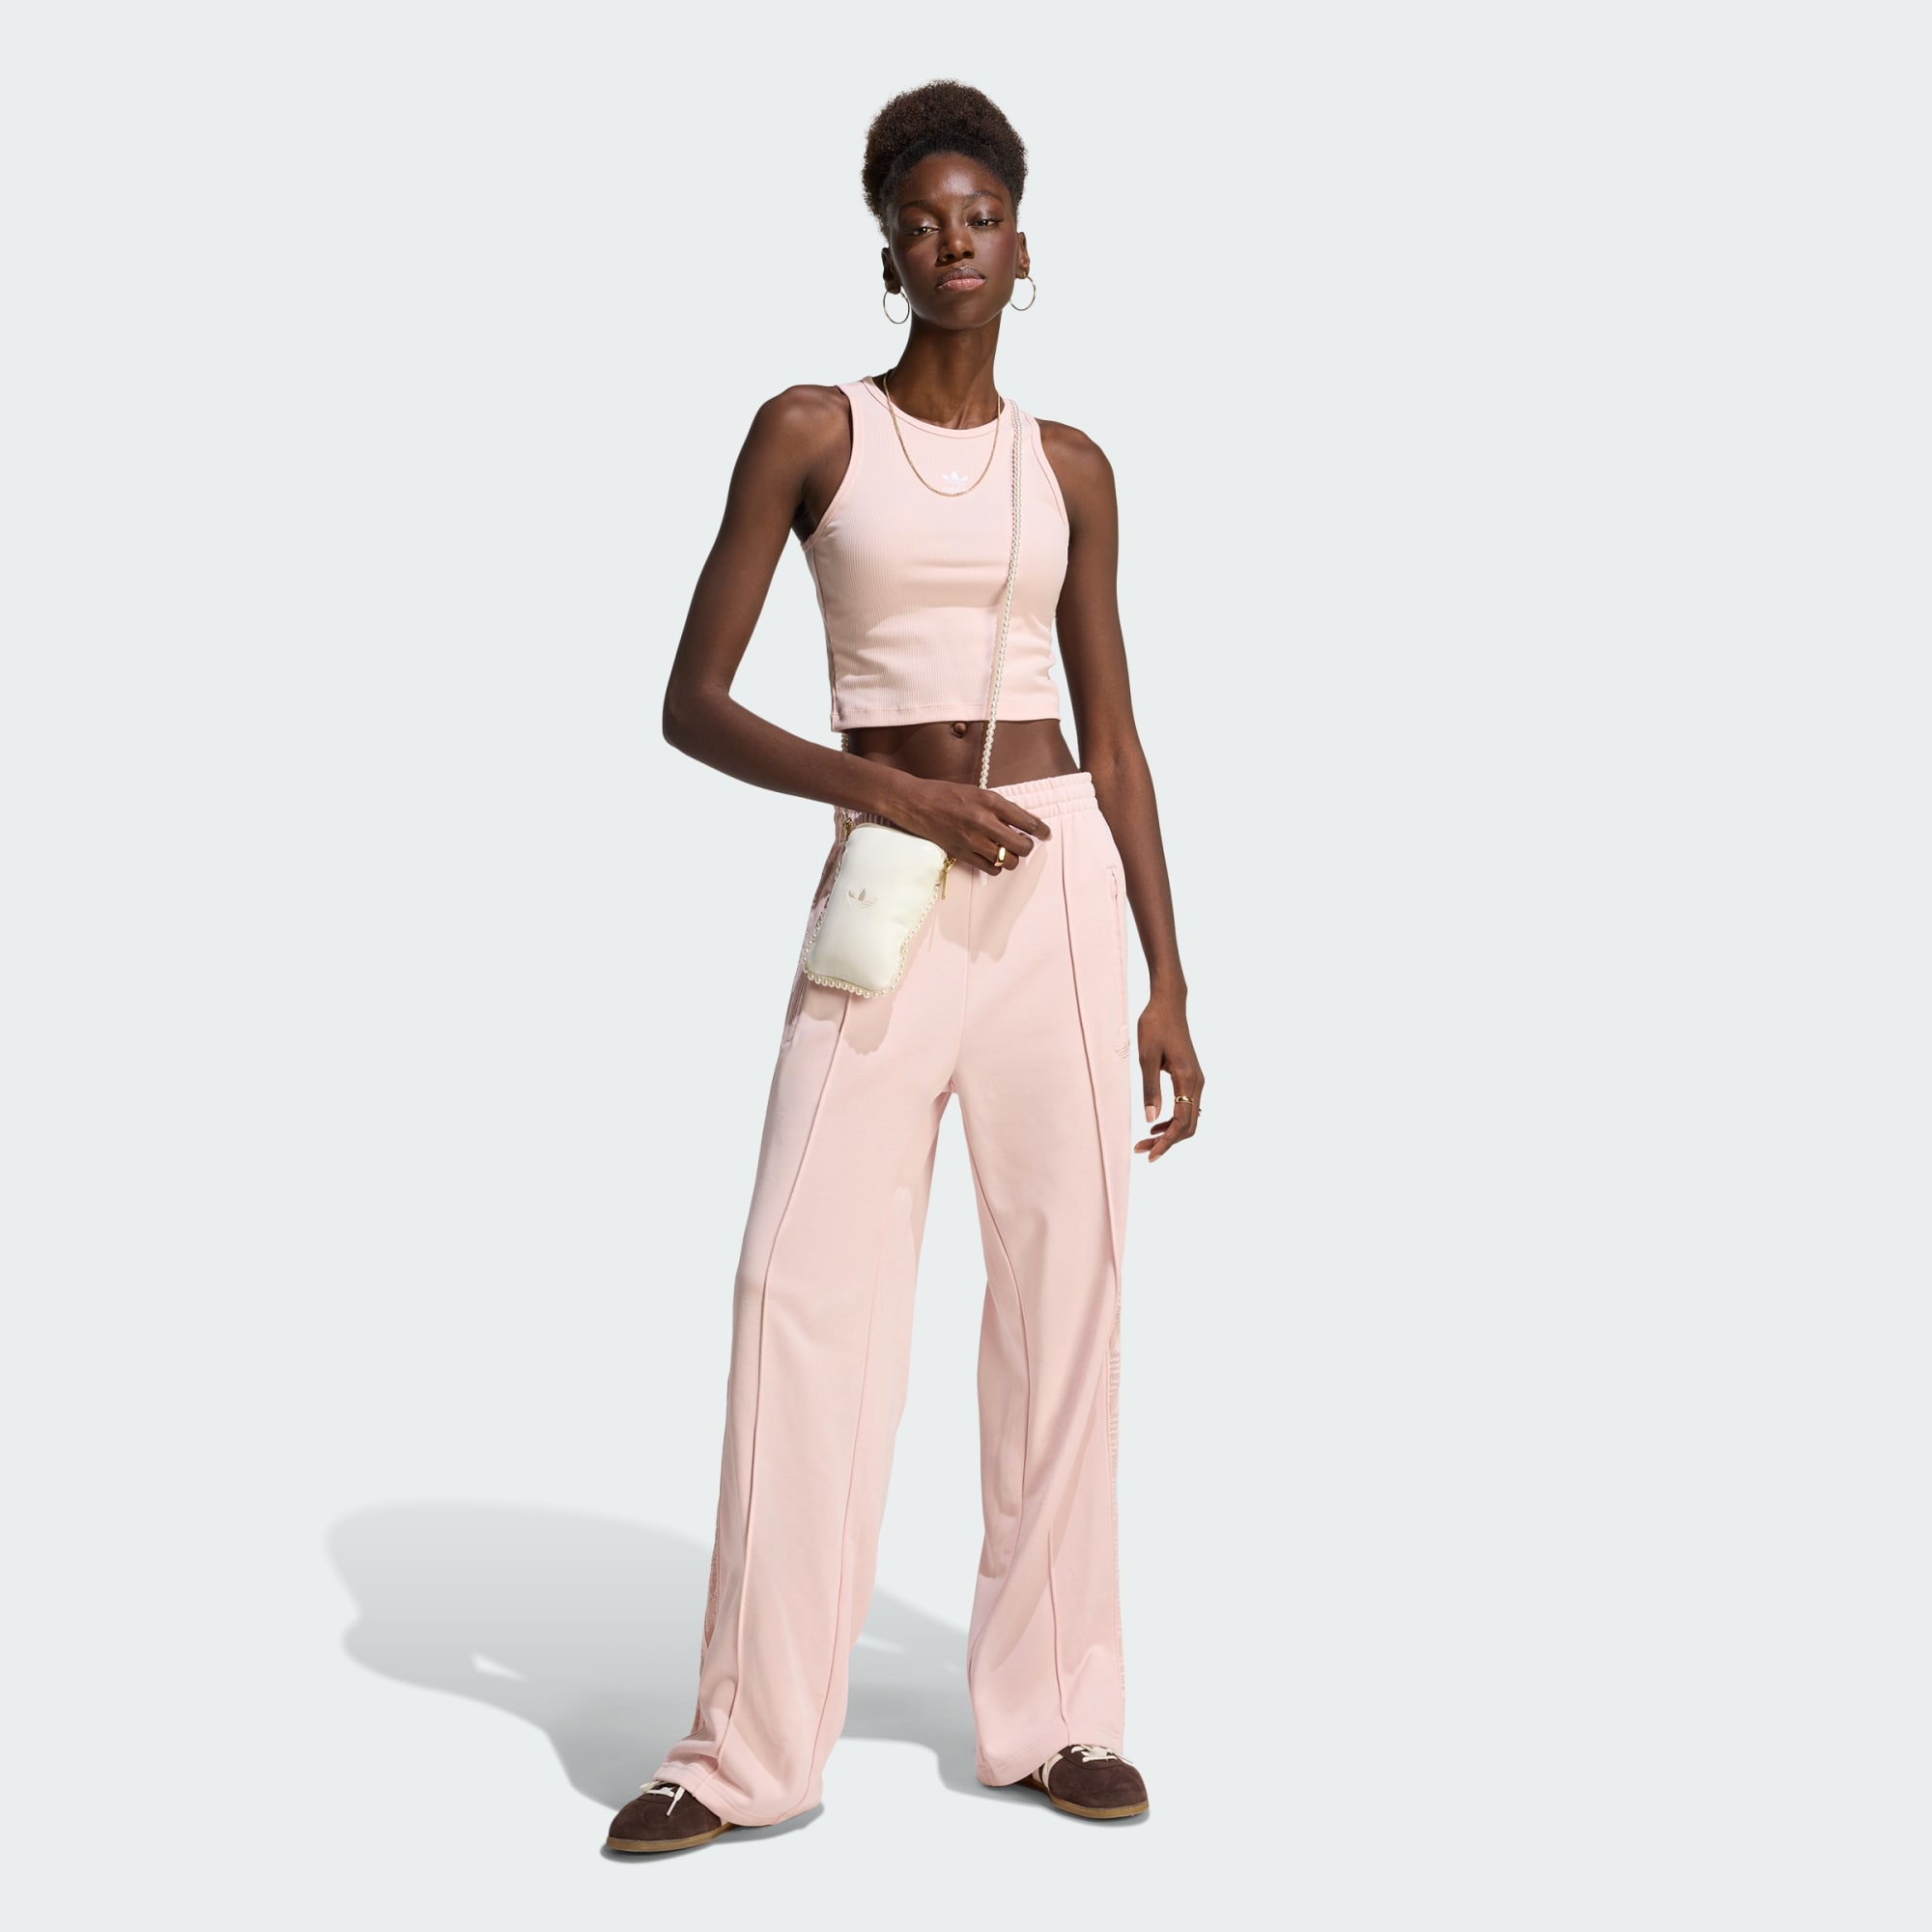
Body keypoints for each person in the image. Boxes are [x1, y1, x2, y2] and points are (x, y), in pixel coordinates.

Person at [605, 78, 1204, 1855]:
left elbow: (1118, 737)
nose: (955, 243)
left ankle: (1059, 1714)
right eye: (924, 220)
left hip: (1059, 888)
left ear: (1023, 246)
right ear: (887, 248)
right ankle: (745, 1751)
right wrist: (883, 790)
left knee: (1067, 1300)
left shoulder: (1070, 466)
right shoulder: (812, 431)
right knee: (795, 1290)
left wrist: (1171, 978)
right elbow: (691, 701)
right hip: (888, 880)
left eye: (982, 218)